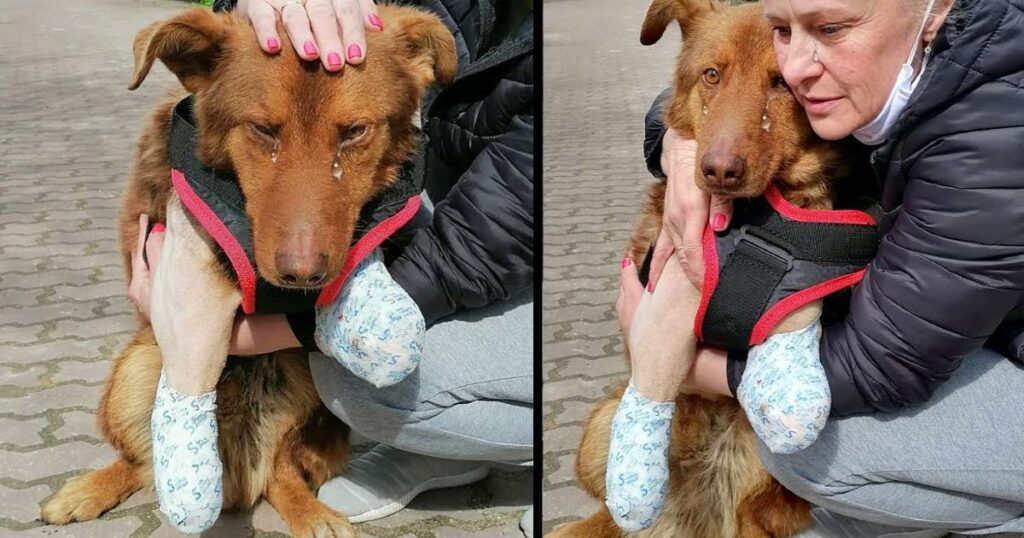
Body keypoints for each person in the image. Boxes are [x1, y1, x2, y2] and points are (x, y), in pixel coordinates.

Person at [616, 0, 1024, 535]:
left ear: (935, 9)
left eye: (831, 28)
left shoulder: (992, 133)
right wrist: (679, 148)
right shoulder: (904, 70)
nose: (798, 66)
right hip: (984, 320)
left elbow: (883, 365)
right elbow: (715, 80)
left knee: (800, 442)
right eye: (786, 29)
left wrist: (688, 369)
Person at [129, 0, 534, 534]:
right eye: (262, 132)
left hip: (511, 252)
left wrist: (275, 330)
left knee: (365, 384)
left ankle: (447, 446)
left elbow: (488, 241)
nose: (303, 259)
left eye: (355, 133)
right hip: (455, 195)